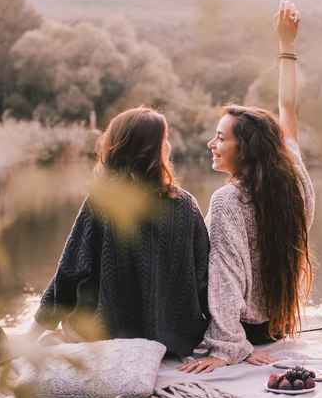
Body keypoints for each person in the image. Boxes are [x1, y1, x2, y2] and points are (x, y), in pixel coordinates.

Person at [179, 0, 314, 373]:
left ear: (247, 148)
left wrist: (229, 347)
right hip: (276, 327)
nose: (212, 143)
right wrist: (287, 45)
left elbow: (223, 278)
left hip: (242, 331)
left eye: (220, 137)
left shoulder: (227, 200)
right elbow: (287, 109)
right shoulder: (294, 181)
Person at [23, 106, 210, 357]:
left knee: (77, 297)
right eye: (165, 139)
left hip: (109, 338)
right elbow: (205, 280)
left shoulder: (102, 203)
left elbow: (68, 274)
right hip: (173, 340)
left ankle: (60, 338)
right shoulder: (186, 204)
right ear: (150, 149)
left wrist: (30, 337)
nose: (169, 145)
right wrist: (226, 342)